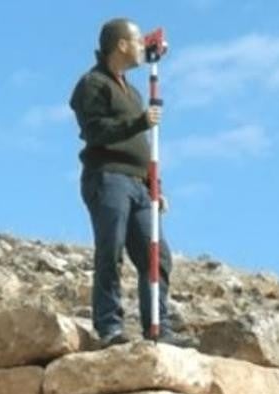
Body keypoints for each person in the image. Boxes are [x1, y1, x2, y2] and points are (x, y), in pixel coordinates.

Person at [69, 17, 192, 348]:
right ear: (121, 44)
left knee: (157, 257)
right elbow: (94, 131)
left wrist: (156, 187)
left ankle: (158, 325)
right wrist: (139, 122)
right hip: (108, 177)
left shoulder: (133, 92)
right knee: (111, 250)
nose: (142, 47)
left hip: (139, 185)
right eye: (137, 41)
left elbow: (144, 148)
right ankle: (109, 327)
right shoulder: (93, 84)